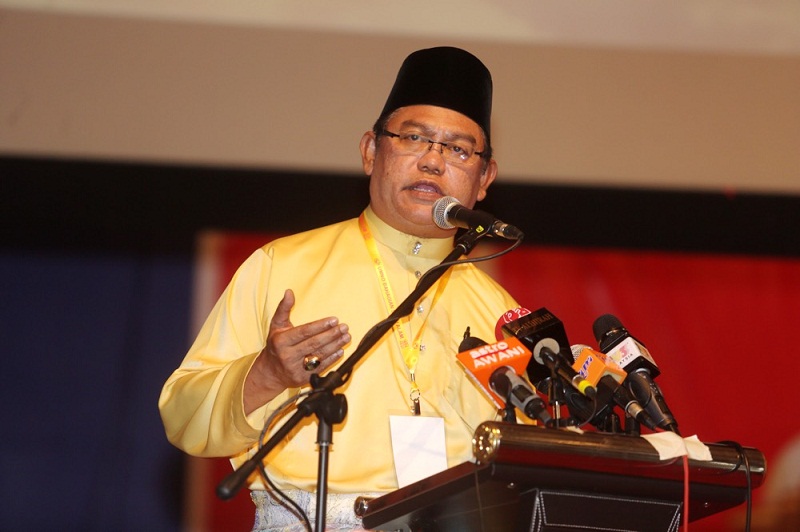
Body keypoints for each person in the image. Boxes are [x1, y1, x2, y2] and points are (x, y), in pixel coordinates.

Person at [159, 46, 520, 531]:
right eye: (414, 138)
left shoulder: (499, 311)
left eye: (458, 149)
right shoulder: (282, 266)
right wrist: (265, 373)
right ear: (371, 151)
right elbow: (182, 416)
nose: (433, 162)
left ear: (484, 180)